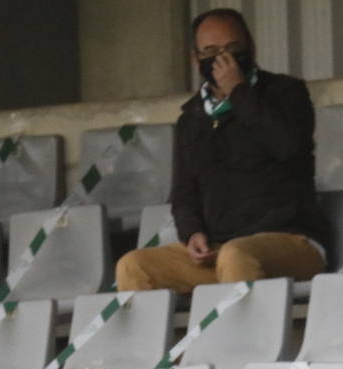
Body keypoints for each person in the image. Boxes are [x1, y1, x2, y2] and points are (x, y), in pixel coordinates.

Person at [114, 8, 329, 294]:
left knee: (237, 255)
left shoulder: (286, 92)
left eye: (232, 48)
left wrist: (239, 92)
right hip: (220, 250)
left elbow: (288, 146)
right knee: (133, 266)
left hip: (291, 240)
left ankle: (245, 340)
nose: (223, 58)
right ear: (196, 59)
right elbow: (183, 193)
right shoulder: (191, 118)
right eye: (211, 51)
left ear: (250, 48)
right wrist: (192, 234)